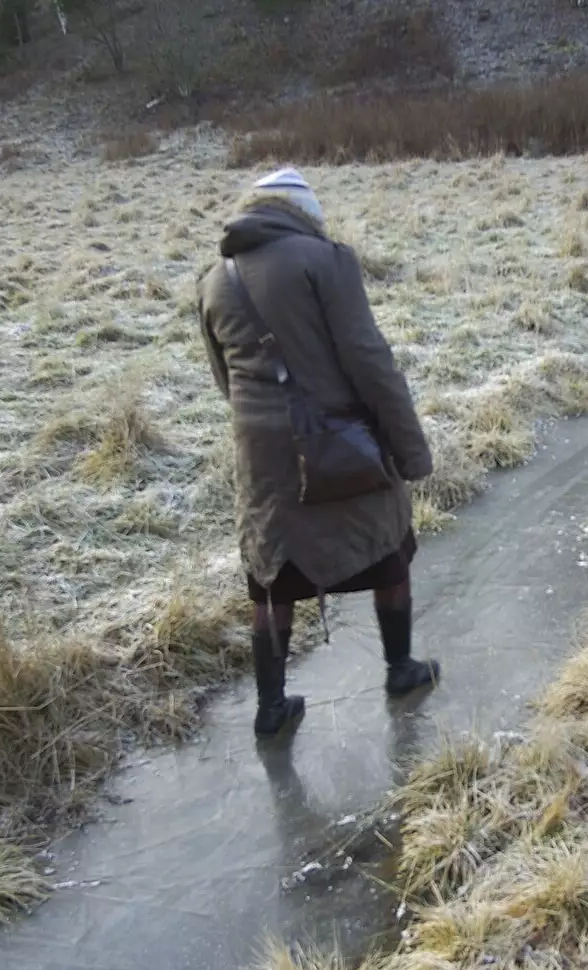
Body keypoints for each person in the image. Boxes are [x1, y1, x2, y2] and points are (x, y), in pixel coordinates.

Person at [197, 168, 441, 738]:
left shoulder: (215, 279)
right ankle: (401, 669)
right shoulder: (325, 260)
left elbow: (223, 379)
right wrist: (411, 451)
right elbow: (368, 360)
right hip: (341, 443)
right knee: (387, 549)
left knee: (272, 572)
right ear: (302, 213)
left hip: (263, 460)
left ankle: (271, 708)